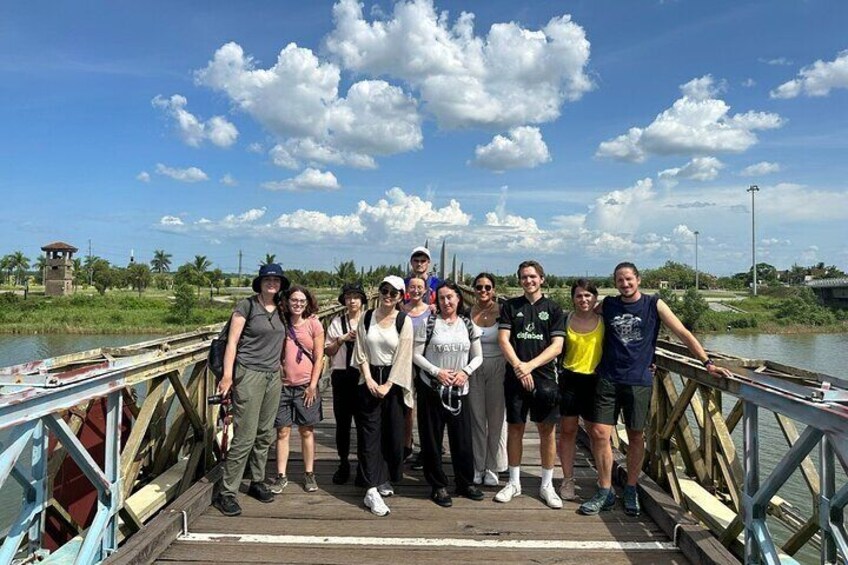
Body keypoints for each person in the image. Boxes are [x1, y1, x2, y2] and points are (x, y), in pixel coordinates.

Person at [579, 262, 733, 517]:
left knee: (636, 434)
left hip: (638, 379)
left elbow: (682, 332)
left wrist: (707, 363)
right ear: (615, 283)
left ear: (638, 279)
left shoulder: (654, 304)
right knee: (599, 433)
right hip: (608, 378)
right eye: (619, 280)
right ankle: (604, 490)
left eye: (629, 279)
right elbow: (584, 318)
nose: (625, 284)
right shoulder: (608, 305)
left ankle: (630, 487)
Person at [213, 264, 289, 517]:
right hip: (249, 374)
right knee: (245, 435)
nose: (272, 283)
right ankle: (227, 492)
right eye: (268, 279)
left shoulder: (281, 308)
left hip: (272, 376)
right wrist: (227, 376)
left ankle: (257, 480)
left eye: (276, 280)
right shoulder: (247, 306)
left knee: (265, 432)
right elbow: (232, 342)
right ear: (260, 282)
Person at [495, 260, 565, 509]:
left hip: (544, 378)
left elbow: (557, 346)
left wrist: (529, 366)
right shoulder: (511, 306)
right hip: (515, 377)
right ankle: (514, 481)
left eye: (533, 277)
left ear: (542, 279)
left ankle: (547, 484)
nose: (529, 281)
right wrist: (518, 366)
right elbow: (504, 339)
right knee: (515, 428)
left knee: (547, 430)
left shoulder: (554, 309)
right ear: (519, 280)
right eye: (524, 277)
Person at [413, 281, 485, 507]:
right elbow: (416, 355)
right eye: (442, 298)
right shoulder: (428, 322)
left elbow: (478, 356)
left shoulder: (467, 324)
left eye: (451, 297)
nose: (446, 302)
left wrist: (466, 372)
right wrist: (437, 372)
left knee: (462, 439)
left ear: (458, 299)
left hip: (459, 389)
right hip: (433, 388)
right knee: (432, 439)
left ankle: (465, 482)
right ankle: (438, 485)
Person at [352, 275, 414, 517]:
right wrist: (367, 378)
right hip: (368, 377)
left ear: (400, 296)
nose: (388, 296)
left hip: (393, 380)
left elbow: (403, 356)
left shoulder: (403, 320)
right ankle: (370, 488)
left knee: (392, 434)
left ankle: (383, 477)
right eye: (384, 291)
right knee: (369, 434)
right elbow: (360, 350)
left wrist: (388, 384)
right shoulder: (367, 318)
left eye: (394, 293)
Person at [270, 285, 325, 494]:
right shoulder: (281, 322)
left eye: (302, 301)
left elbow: (319, 357)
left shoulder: (314, 324)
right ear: (287, 301)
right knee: (282, 431)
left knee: (306, 430)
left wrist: (313, 385)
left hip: (305, 386)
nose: (298, 304)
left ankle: (309, 473)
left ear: (308, 303)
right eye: (294, 300)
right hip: (283, 386)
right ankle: (281, 475)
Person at [557, 279, 603, 502]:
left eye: (588, 295)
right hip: (570, 379)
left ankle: (604, 481)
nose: (584, 300)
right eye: (579, 296)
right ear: (573, 299)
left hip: (596, 381)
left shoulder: (604, 320)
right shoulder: (566, 320)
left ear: (595, 297)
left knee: (598, 434)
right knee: (567, 431)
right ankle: (568, 479)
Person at [324, 282, 366, 484]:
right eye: (348, 297)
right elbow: (328, 351)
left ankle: (362, 464)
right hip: (341, 376)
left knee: (363, 422)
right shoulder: (336, 322)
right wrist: (341, 339)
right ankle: (343, 462)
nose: (352, 301)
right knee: (342, 423)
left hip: (362, 376)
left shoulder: (369, 321)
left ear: (362, 300)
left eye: (356, 297)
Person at [468, 272, 507, 487]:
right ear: (473, 290)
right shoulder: (467, 312)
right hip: (474, 367)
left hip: (498, 367)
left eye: (488, 287)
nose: (483, 291)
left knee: (496, 419)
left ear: (494, 290)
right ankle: (478, 465)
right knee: (476, 418)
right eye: (479, 287)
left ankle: (494, 466)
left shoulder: (503, 311)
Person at [401, 275, 432, 467]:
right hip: (405, 362)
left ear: (426, 290)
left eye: (420, 287)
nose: (416, 290)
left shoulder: (432, 311)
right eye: (412, 287)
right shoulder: (400, 309)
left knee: (426, 408)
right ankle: (406, 444)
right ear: (407, 290)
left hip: (425, 362)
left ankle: (426, 448)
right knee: (407, 406)